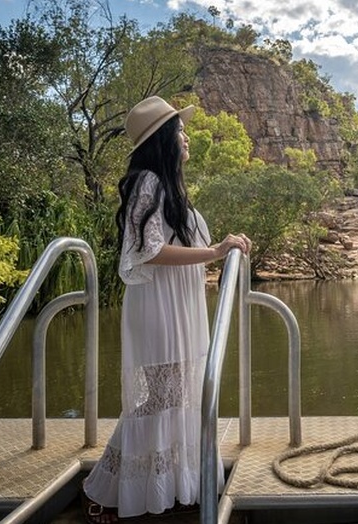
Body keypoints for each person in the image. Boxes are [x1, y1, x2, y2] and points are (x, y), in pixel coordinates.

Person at [81, 96, 251, 523]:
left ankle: (174, 484)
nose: (186, 135)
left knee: (178, 396)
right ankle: (109, 487)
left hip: (178, 305)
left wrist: (218, 250)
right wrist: (215, 250)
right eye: (178, 129)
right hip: (159, 308)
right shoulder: (148, 183)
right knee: (160, 398)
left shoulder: (166, 187)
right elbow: (149, 251)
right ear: (163, 140)